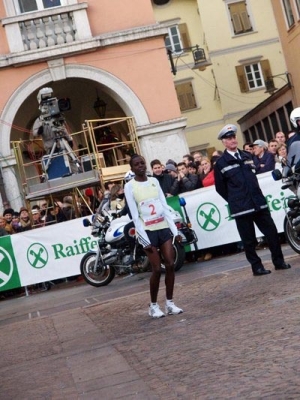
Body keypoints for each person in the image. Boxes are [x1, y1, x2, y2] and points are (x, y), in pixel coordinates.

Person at [214, 124, 291, 276]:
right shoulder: (221, 163)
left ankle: (279, 262)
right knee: (249, 241)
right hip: (241, 207)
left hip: (258, 202)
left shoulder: (247, 156)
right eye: (229, 138)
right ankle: (257, 267)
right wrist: (234, 199)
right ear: (223, 142)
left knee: (272, 233)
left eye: (234, 137)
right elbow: (220, 188)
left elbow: (252, 177)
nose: (233, 140)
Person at [124, 154, 183, 318]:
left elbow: (164, 206)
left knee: (170, 264)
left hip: (163, 227)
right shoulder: (129, 187)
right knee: (157, 269)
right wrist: (143, 239)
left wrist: (175, 231)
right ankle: (153, 305)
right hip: (147, 231)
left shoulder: (154, 181)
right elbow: (135, 216)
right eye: (136, 164)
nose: (140, 166)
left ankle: (170, 303)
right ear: (132, 168)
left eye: (142, 163)